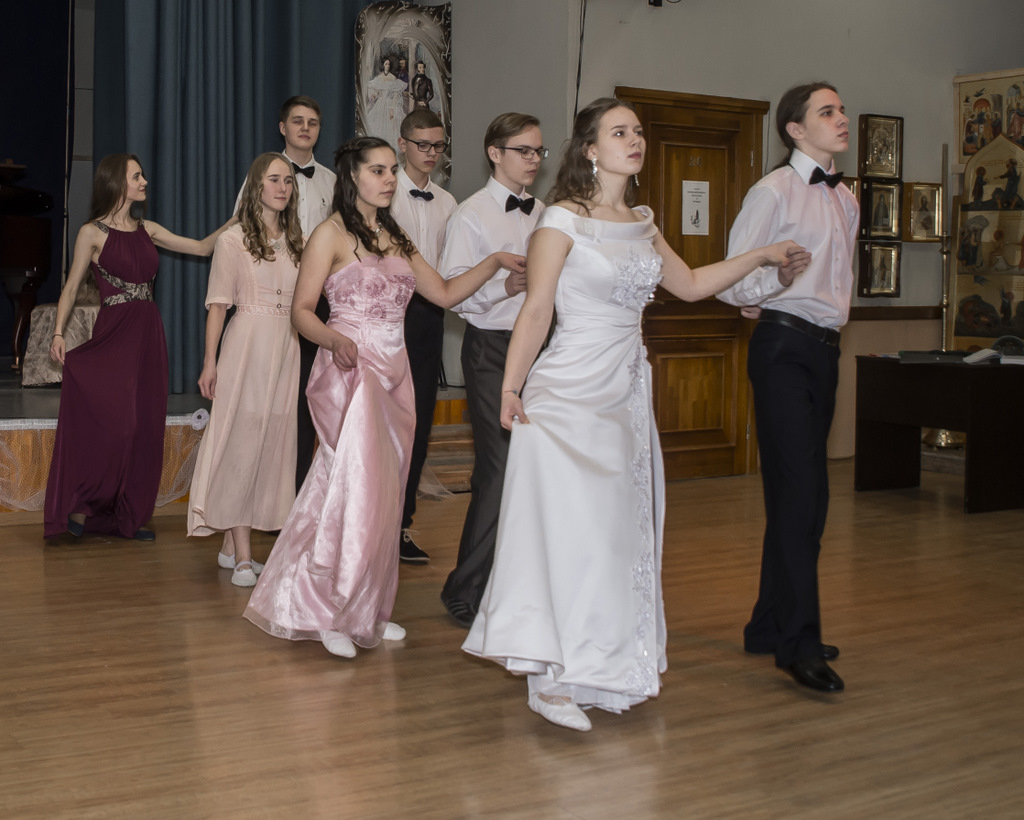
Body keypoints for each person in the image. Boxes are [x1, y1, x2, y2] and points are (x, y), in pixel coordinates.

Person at [462, 98, 807, 732]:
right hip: (567, 393)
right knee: (565, 533)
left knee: (613, 537)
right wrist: (511, 389)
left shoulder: (643, 224)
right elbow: (537, 308)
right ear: (590, 149)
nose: (635, 140)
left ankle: (597, 666)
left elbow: (692, 285)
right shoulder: (560, 219)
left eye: (639, 131)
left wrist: (761, 257)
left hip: (624, 394)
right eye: (619, 132)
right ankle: (547, 677)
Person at [243, 137, 525, 659]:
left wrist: (493, 265)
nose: (390, 178)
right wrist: (334, 340)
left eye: (392, 170)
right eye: (378, 170)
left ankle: (368, 607)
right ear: (353, 176)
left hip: (395, 375)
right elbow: (301, 312)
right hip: (350, 372)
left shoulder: (395, 236)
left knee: (385, 495)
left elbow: (443, 294)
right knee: (351, 488)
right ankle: (327, 610)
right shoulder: (329, 234)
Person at [716, 82, 859, 694]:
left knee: (806, 497)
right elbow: (733, 283)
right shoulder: (772, 190)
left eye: (842, 109)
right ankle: (798, 643)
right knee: (802, 495)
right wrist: (773, 282)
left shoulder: (846, 197)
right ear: (795, 129)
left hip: (825, 350)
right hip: (782, 348)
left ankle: (769, 624)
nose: (842, 118)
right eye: (827, 112)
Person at [44, 154, 233, 541]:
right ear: (117, 182)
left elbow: (202, 248)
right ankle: (85, 504)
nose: (144, 181)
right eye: (136, 176)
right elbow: (71, 287)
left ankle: (128, 514)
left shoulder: (148, 229)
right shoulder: (91, 233)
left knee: (143, 424)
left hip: (147, 334)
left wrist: (237, 220)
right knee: (118, 425)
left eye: (143, 175)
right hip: (113, 335)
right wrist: (58, 333)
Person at [439, 112, 546, 627]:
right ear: (495, 153)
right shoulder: (472, 213)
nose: (533, 160)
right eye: (523, 150)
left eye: (538, 151)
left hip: (542, 352)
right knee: (499, 469)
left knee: (536, 472)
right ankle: (465, 589)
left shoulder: (545, 213)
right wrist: (506, 286)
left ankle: (517, 587)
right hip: (491, 351)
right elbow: (455, 294)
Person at [187, 153, 303, 586]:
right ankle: (242, 557)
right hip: (247, 346)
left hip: (286, 347)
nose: (282, 187)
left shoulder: (299, 241)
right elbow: (218, 306)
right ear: (256, 186)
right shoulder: (232, 240)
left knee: (272, 443)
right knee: (243, 442)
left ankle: (229, 545)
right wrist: (209, 362)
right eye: (274, 179)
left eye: (288, 181)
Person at [234, 96, 336, 496]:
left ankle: (296, 497)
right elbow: (241, 231)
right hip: (269, 303)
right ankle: (259, 494)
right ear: (283, 128)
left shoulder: (331, 181)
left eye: (313, 122)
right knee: (268, 401)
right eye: (297, 121)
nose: (305, 128)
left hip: (316, 302)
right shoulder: (261, 176)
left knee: (308, 397)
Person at [390, 110, 457, 563]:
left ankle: (402, 525)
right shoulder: (382, 192)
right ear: (402, 144)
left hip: (428, 314)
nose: (431, 153)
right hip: (385, 312)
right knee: (381, 419)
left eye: (438, 146)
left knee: (419, 420)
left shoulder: (449, 203)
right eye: (423, 145)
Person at [365, 57, 407, 153]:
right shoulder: (379, 78)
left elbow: (396, 95)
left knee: (390, 127)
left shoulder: (393, 78)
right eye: (386, 64)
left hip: (389, 104)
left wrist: (392, 108)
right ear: (383, 65)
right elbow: (377, 92)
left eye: (388, 64)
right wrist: (373, 95)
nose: (387, 66)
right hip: (380, 104)